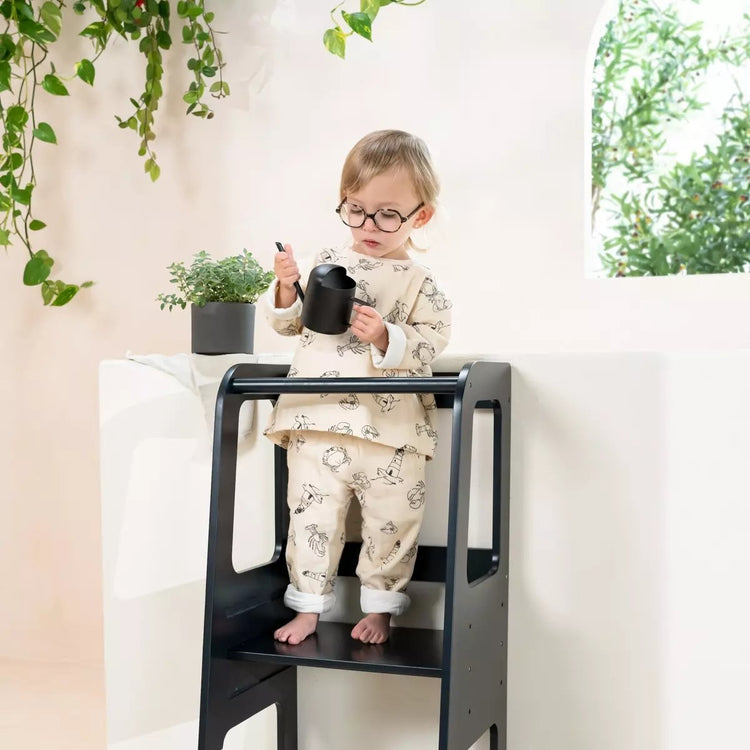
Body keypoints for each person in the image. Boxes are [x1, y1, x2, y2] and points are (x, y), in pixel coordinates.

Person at [263, 129, 452, 645]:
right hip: (316, 418)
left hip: (390, 429)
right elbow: (290, 325)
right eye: (356, 210)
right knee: (311, 516)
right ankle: (307, 607)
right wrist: (286, 286)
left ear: (420, 217)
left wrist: (388, 336)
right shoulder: (327, 263)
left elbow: (433, 341)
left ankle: (383, 606)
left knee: (393, 518)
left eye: (388, 215)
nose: (369, 225)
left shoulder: (420, 282)